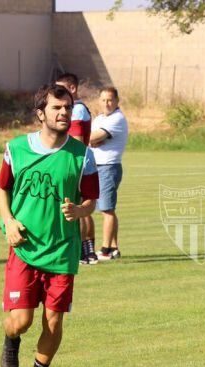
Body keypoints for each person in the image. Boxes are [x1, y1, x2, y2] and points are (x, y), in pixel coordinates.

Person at [0, 83, 99, 367]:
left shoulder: (83, 156)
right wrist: (9, 222)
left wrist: (79, 209)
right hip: (25, 249)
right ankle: (10, 340)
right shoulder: (16, 149)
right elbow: (2, 189)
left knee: (53, 321)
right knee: (21, 321)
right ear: (40, 113)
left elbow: (92, 200)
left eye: (68, 107)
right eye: (57, 108)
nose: (64, 113)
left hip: (62, 253)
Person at [55, 73, 97, 265]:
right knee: (82, 207)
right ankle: (88, 251)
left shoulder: (77, 110)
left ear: (72, 88)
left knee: (80, 208)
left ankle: (84, 251)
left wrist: (72, 163)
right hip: (81, 161)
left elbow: (78, 140)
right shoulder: (78, 109)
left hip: (77, 164)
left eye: (62, 89)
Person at [88, 87, 128, 261]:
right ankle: (113, 248)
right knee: (107, 209)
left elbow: (92, 137)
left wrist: (94, 140)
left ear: (117, 101)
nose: (106, 103)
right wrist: (94, 140)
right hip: (98, 166)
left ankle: (105, 250)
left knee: (107, 209)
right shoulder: (99, 118)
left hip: (108, 167)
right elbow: (93, 140)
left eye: (110, 100)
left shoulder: (117, 119)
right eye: (103, 100)